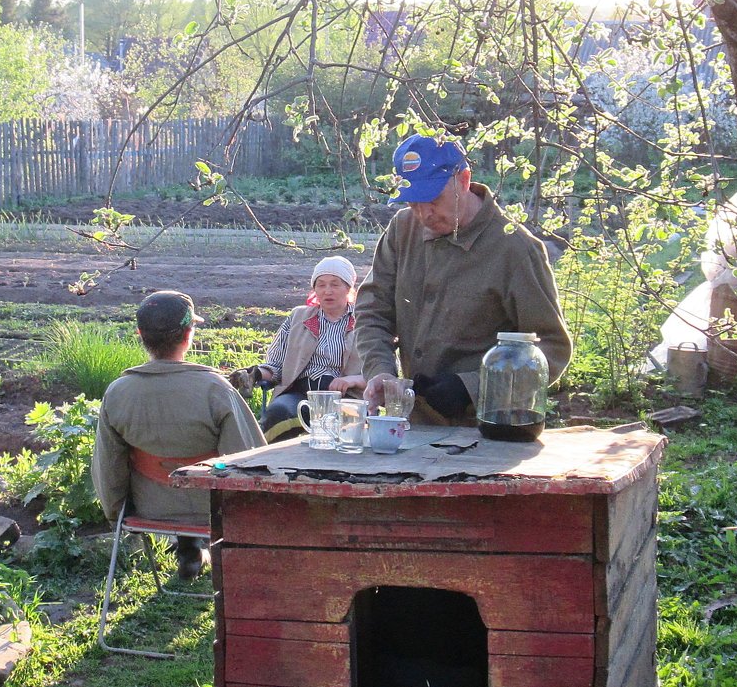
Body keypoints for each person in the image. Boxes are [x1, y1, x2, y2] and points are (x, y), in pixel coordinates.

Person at [355, 134, 572, 425]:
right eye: (413, 202)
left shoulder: (515, 249)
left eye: (432, 198)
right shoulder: (402, 230)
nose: (424, 214)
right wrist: (380, 370)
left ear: (464, 180)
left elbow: (551, 348)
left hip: (487, 433)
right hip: (413, 429)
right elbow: (372, 311)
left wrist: (472, 388)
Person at [93, 290, 265, 580]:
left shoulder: (117, 393)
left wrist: (117, 514)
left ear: (140, 334)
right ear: (189, 334)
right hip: (211, 510)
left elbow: (108, 469)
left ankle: (190, 554)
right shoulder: (216, 390)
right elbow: (249, 461)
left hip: (150, 509)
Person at [230, 256, 366, 442]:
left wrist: (352, 380)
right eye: (321, 285)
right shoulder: (298, 318)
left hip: (345, 398)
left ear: (348, 288)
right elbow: (276, 365)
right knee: (279, 412)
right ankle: (271, 466)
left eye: (335, 284)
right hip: (300, 395)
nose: (327, 291)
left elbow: (380, 374)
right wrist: (256, 374)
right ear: (314, 289)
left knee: (346, 431)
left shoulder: (364, 321)